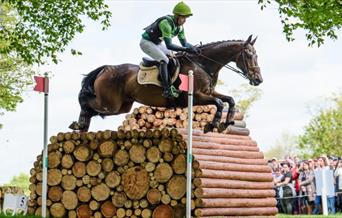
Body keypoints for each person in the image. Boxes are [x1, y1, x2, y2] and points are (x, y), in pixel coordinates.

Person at [140, 1, 199, 99]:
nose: (185, 20)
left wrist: (194, 48)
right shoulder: (165, 23)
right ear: (177, 16)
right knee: (165, 60)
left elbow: (184, 44)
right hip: (146, 43)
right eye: (183, 17)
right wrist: (187, 49)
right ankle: (167, 89)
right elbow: (169, 46)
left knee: (174, 57)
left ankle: (173, 84)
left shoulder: (180, 28)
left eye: (186, 18)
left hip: (157, 43)